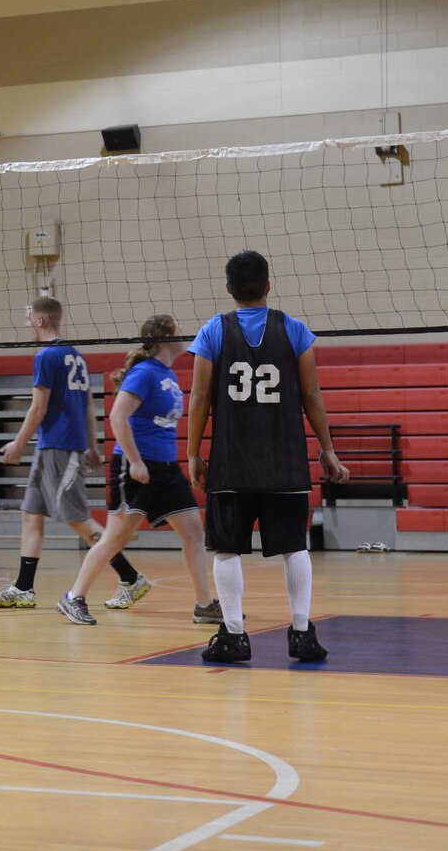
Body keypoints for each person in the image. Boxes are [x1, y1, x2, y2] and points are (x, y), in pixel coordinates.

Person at [186, 250, 348, 664]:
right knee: (295, 547)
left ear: (228, 288)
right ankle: (302, 634)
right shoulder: (294, 329)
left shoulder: (213, 331)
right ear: (268, 285)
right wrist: (328, 450)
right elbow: (311, 394)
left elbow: (200, 397)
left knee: (227, 549)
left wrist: (192, 453)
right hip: (284, 460)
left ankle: (233, 637)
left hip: (231, 462)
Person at [58, 315, 220, 626]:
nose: (183, 334)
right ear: (165, 338)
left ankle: (204, 605)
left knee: (194, 532)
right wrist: (135, 461)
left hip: (166, 468)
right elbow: (117, 417)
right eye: (178, 330)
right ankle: (73, 596)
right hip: (136, 467)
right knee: (115, 538)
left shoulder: (167, 373)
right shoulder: (144, 373)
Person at [0, 296, 142, 610]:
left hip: (60, 446)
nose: (26, 323)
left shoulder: (46, 355)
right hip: (52, 447)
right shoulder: (75, 355)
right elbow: (87, 405)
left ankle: (130, 577)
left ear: (41, 320)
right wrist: (93, 445)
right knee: (31, 514)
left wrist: (18, 443)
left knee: (78, 520)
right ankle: (24, 588)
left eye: (28, 317)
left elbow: (38, 407)